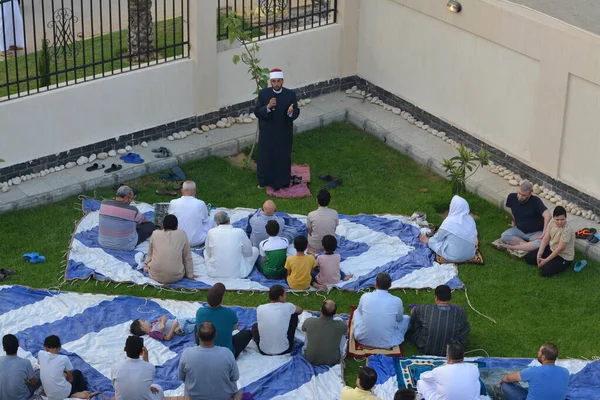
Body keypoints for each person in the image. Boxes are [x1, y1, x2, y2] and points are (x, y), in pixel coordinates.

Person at [254, 68, 300, 190]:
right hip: (267, 133)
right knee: (265, 158)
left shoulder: (290, 94)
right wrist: (268, 107)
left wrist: (290, 113)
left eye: (278, 81)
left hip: (283, 133)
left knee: (282, 157)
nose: (276, 84)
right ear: (270, 82)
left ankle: (282, 181)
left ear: (282, 81)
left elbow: (296, 111)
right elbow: (257, 111)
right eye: (274, 81)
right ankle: (264, 181)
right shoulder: (264, 94)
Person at [178, 322, 242, 400]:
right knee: (239, 393)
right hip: (225, 397)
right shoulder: (227, 353)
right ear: (215, 335)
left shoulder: (187, 353)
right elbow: (235, 377)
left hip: (194, 397)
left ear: (197, 335)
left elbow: (181, 377)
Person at [195, 283, 253, 359]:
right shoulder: (230, 313)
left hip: (205, 350)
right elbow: (235, 327)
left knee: (196, 327)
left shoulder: (200, 312)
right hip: (226, 354)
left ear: (207, 299)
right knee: (247, 333)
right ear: (222, 299)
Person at [410, 285, 470, 356]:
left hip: (425, 347)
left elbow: (413, 312)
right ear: (450, 297)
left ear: (436, 298)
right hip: (452, 350)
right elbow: (465, 330)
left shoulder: (424, 309)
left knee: (415, 322)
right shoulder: (460, 312)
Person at [353, 272, 410, 348]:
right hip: (388, 342)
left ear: (375, 284)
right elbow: (399, 319)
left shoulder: (365, 296)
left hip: (363, 339)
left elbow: (360, 312)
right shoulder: (397, 300)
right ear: (390, 285)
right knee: (407, 318)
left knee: (356, 312)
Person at [499, 343, 569, 400]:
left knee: (506, 385)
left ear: (543, 357)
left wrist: (503, 379)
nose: (538, 353)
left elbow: (508, 378)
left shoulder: (533, 371)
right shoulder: (565, 372)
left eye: (539, 351)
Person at [419, 195, 477, 263]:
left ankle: (426, 241)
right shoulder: (470, 220)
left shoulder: (450, 221)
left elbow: (437, 238)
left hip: (454, 257)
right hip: (470, 255)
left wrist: (428, 241)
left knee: (433, 242)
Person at [38, 335, 98, 400]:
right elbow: (70, 379)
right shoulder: (64, 359)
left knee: (62, 373)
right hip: (62, 393)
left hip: (49, 394)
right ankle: (79, 393)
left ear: (45, 347)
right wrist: (65, 377)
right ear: (60, 347)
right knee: (77, 373)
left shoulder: (40, 354)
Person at [98, 185, 156, 251]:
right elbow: (145, 221)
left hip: (103, 243)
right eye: (132, 198)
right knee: (150, 225)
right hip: (125, 246)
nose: (132, 201)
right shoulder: (132, 210)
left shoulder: (104, 204)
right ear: (126, 198)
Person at [416, 342, 480, 400]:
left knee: (422, 382)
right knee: (476, 382)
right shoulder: (474, 368)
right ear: (463, 356)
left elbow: (424, 377)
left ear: (448, 356)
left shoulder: (439, 370)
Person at [498, 181, 550, 252]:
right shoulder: (511, 197)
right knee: (504, 236)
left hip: (536, 232)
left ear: (529, 194)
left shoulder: (535, 201)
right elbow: (514, 211)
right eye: (519, 193)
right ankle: (526, 246)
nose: (520, 197)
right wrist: (514, 222)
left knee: (539, 242)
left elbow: (548, 215)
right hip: (520, 230)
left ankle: (511, 246)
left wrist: (543, 233)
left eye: (523, 195)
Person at [204, 211, 259, 278]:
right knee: (255, 250)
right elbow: (248, 253)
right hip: (239, 274)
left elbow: (209, 253)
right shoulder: (239, 232)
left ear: (216, 223)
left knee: (205, 251)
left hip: (214, 272)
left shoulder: (211, 232)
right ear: (229, 219)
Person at [524, 206, 575, 277]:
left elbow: (560, 249)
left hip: (563, 256)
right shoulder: (552, 222)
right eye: (557, 219)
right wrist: (539, 253)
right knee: (529, 258)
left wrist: (546, 260)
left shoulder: (567, 230)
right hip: (551, 249)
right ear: (554, 218)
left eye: (562, 219)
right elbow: (546, 238)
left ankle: (550, 263)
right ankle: (545, 261)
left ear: (566, 218)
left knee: (545, 271)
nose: (560, 222)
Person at [252, 284, 303, 355]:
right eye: (285, 294)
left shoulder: (260, 308)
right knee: (294, 315)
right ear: (280, 298)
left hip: (263, 350)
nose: (286, 296)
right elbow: (300, 310)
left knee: (255, 326)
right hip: (285, 349)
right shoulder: (288, 306)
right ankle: (290, 340)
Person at [144, 214, 194, 284]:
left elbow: (150, 254)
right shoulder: (182, 234)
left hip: (155, 275)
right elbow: (187, 256)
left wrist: (146, 266)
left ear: (163, 226)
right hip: (176, 276)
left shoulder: (155, 234)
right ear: (177, 226)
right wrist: (190, 275)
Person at [111, 336, 164, 400]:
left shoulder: (115, 367)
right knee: (158, 388)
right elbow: (148, 383)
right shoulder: (150, 367)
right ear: (142, 352)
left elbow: (116, 386)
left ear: (125, 349)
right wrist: (146, 360)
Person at [302, 299, 348, 366]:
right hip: (333, 359)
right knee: (342, 329)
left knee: (308, 330)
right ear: (335, 313)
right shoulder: (341, 324)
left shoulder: (309, 321)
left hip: (310, 358)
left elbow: (303, 330)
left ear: (321, 310)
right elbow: (346, 332)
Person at [168, 181, 214, 246]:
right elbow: (205, 220)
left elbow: (170, 218)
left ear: (182, 190)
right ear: (194, 191)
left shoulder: (173, 202)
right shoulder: (200, 204)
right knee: (211, 220)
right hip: (196, 241)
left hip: (176, 241)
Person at [0, 334, 40, 400]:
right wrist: (26, 379)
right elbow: (33, 383)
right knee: (39, 373)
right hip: (22, 397)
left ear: (4, 348)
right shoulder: (26, 362)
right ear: (18, 346)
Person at [307, 189, 339, 253]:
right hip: (330, 245)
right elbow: (334, 229)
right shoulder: (334, 213)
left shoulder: (311, 214)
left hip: (315, 246)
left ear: (317, 200)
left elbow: (310, 232)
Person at [130, 315, 195, 341]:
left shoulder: (153, 324)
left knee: (196, 319)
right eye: (143, 321)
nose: (146, 320)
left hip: (180, 321)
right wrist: (173, 327)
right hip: (181, 328)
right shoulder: (153, 333)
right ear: (143, 328)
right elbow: (168, 338)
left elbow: (163, 317)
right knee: (197, 325)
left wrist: (162, 323)